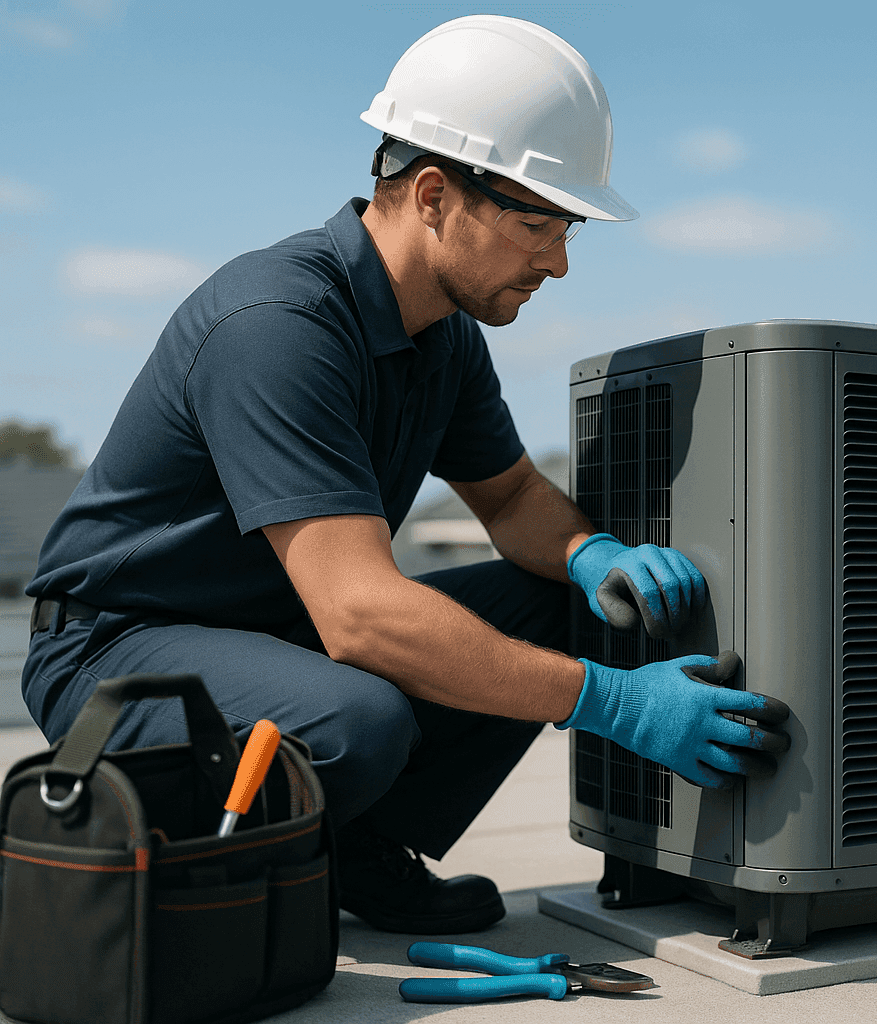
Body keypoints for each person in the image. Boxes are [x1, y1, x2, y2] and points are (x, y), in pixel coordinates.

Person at [23, 16, 788, 936]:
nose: (558, 259)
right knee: (358, 717)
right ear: (433, 194)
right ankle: (220, 877)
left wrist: (591, 551)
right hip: (119, 650)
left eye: (569, 225)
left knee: (563, 602)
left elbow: (507, 500)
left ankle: (356, 846)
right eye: (537, 220)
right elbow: (358, 614)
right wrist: (610, 700)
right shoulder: (279, 324)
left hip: (271, 638)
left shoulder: (444, 338)